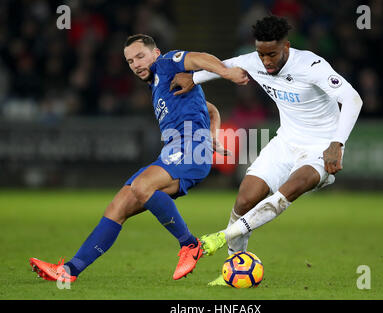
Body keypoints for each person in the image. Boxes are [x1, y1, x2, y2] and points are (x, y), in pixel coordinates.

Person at [29, 34, 248, 282]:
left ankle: (189, 245)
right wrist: (214, 136)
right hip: (173, 153)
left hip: (190, 150)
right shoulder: (157, 86)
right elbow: (211, 109)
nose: (136, 64)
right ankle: (69, 271)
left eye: (140, 56)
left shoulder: (166, 64)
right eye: (130, 61)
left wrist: (227, 73)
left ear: (155, 54)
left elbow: (200, 58)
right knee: (117, 207)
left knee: (142, 185)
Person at [170, 16, 363, 285]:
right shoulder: (254, 60)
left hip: (321, 148)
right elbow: (224, 67)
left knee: (289, 190)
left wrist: (337, 144)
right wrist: (194, 78)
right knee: (245, 199)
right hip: (285, 143)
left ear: (286, 46)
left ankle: (217, 239)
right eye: (261, 54)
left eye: (272, 54)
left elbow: (353, 98)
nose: (266, 61)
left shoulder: (311, 65)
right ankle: (233, 267)